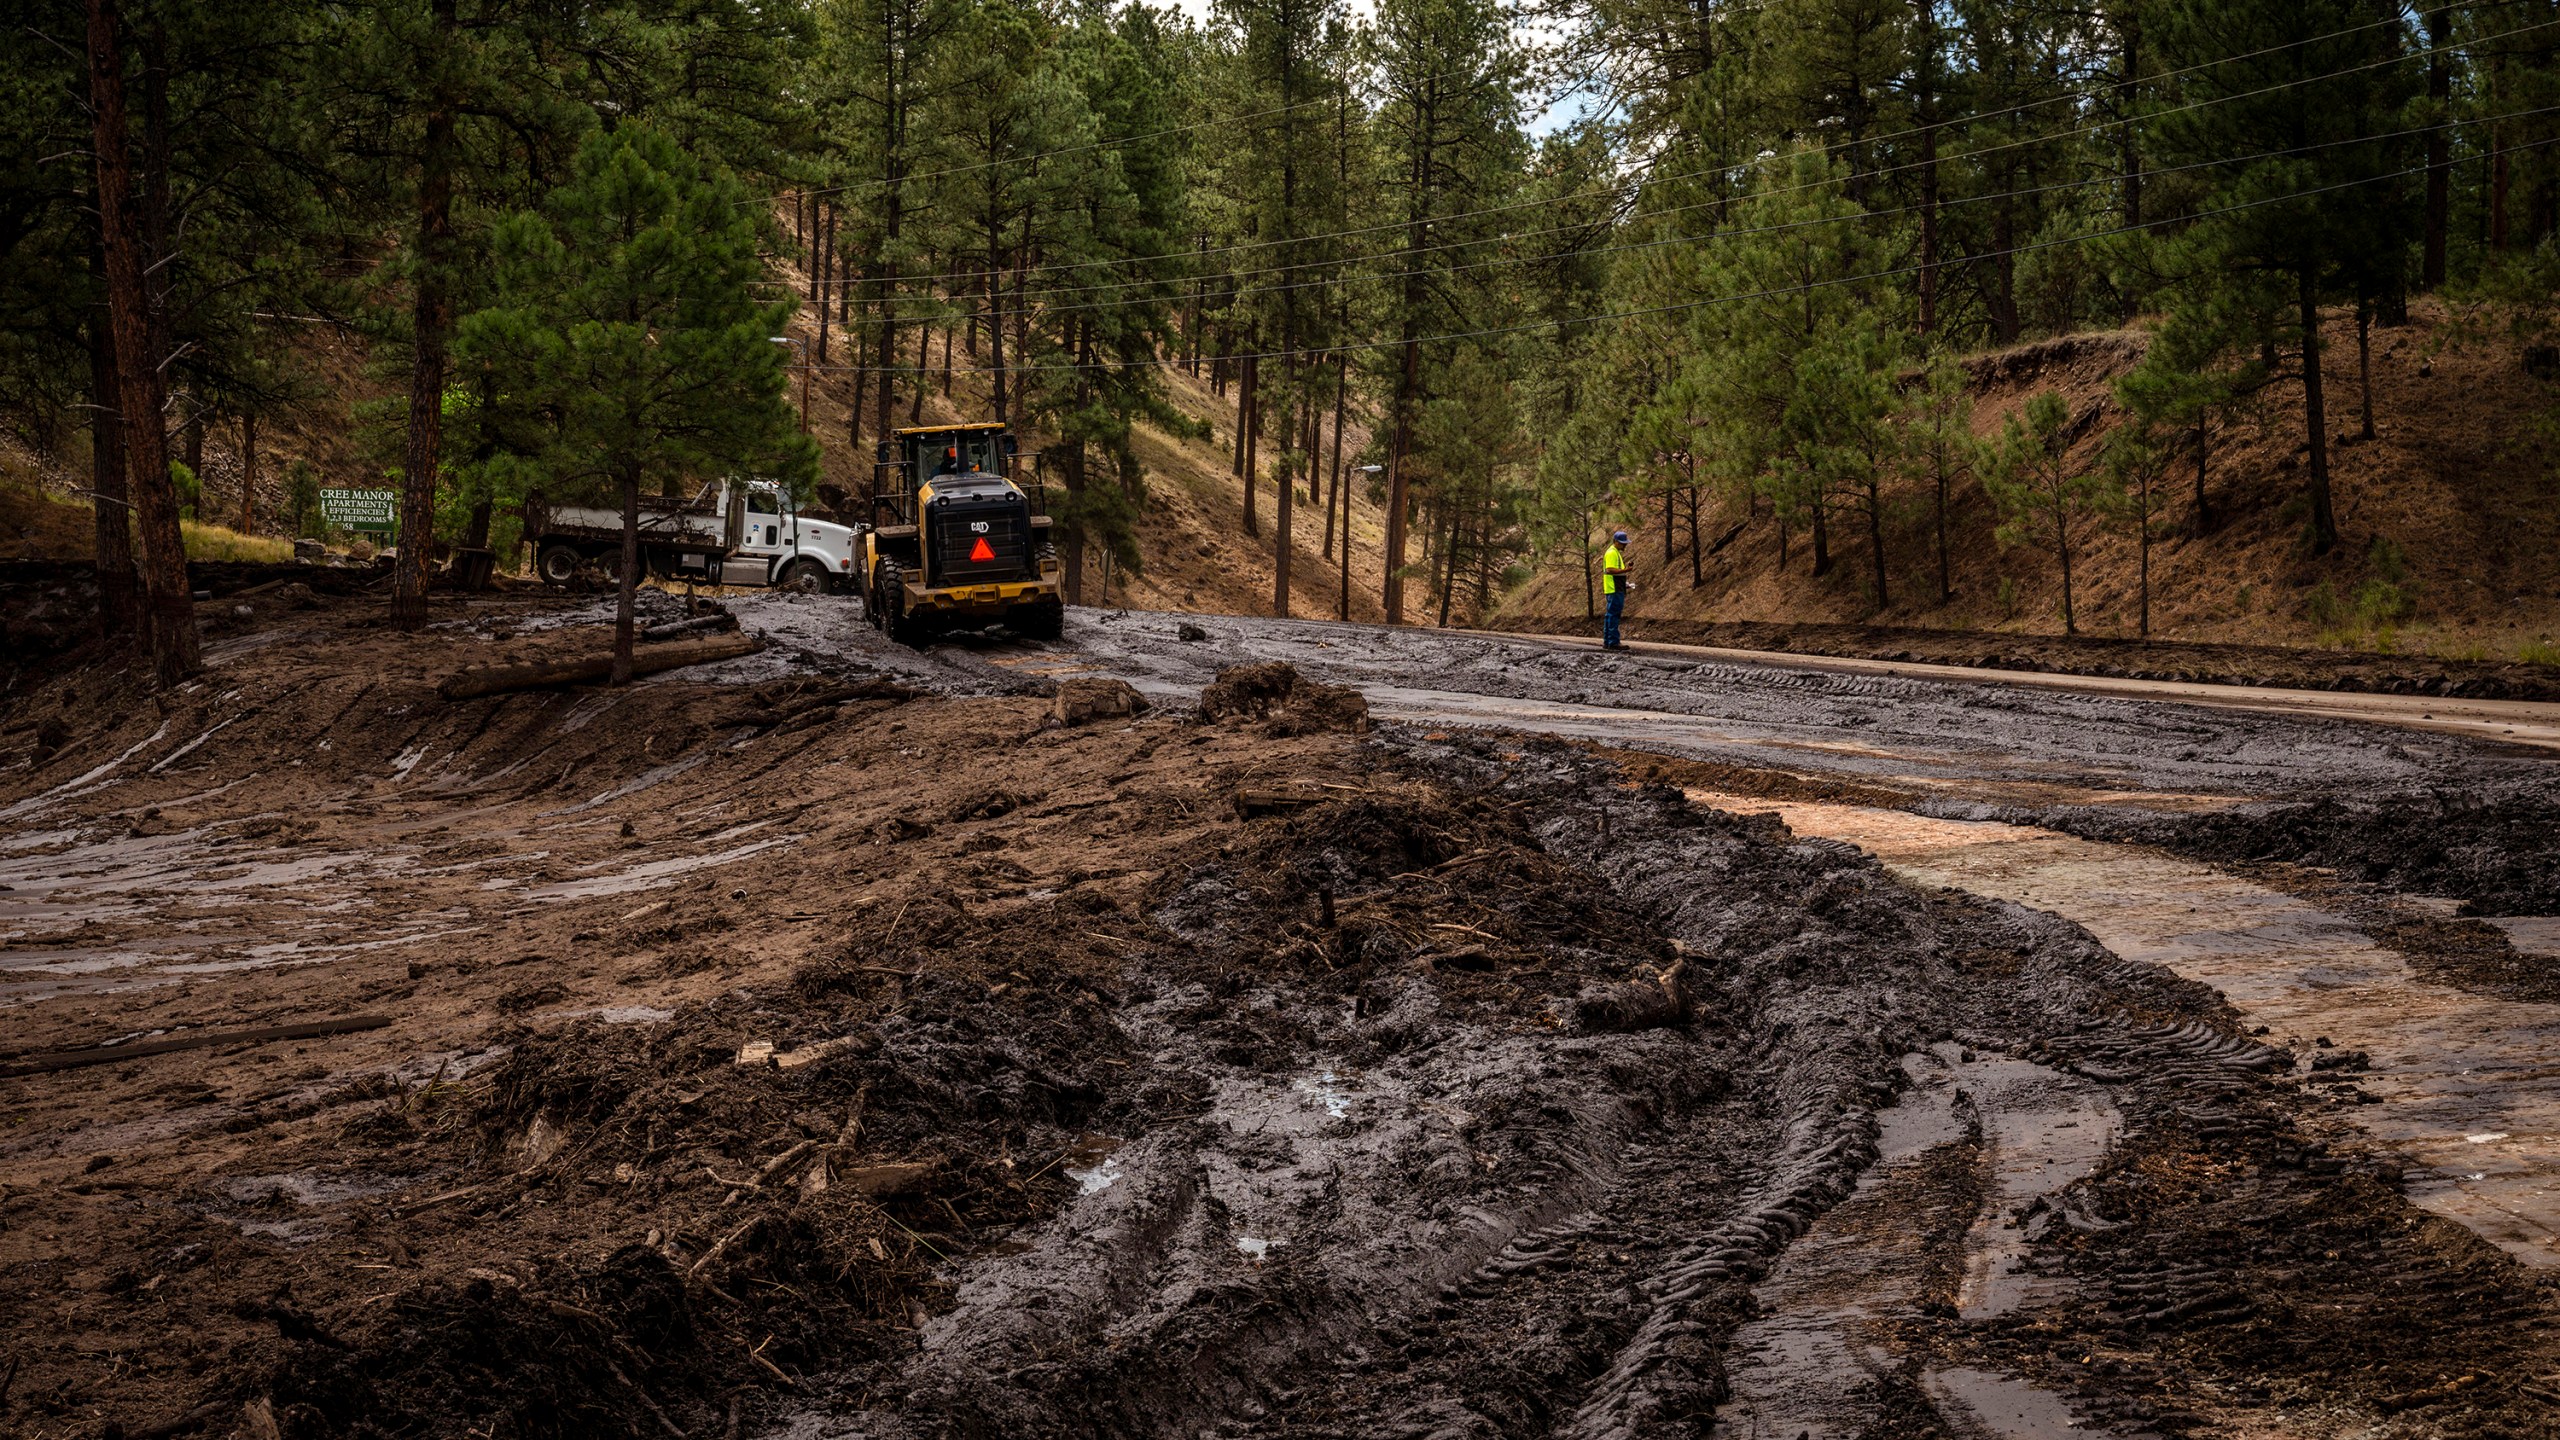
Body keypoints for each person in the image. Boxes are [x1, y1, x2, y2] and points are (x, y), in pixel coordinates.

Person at [1601, 529, 1629, 650]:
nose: (1625, 545)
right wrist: (1626, 570)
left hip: (1614, 587)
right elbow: (1610, 570)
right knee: (1614, 615)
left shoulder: (1614, 552)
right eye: (1623, 543)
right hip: (1614, 589)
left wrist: (1625, 583)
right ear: (1616, 542)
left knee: (1610, 615)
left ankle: (1608, 641)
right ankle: (1613, 641)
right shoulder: (1612, 553)